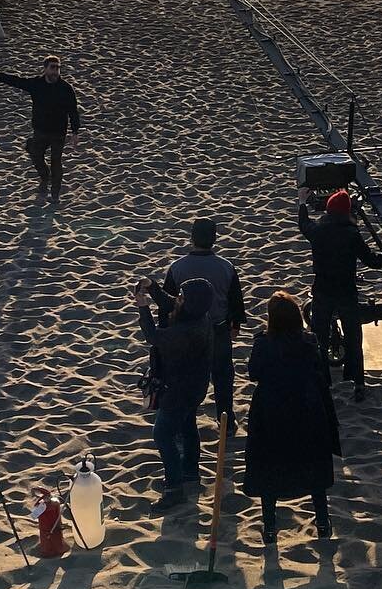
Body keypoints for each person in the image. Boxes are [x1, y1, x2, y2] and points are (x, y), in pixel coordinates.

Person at [243, 291, 340, 546]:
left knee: (268, 467)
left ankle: (271, 527)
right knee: (313, 466)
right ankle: (322, 521)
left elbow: (253, 373)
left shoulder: (263, 343)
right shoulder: (308, 342)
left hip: (272, 409)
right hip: (306, 406)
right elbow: (321, 372)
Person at [296, 188, 382, 404]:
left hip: (322, 291)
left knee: (320, 337)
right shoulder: (351, 235)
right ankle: (358, 384)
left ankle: (323, 382)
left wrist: (301, 203)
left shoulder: (319, 231)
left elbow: (304, 225)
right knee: (354, 338)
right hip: (346, 292)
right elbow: (373, 261)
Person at [158, 217, 247, 432]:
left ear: (192, 238)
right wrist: (236, 324)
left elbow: (167, 302)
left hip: (185, 333)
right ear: (214, 239)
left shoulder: (178, 267)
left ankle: (184, 420)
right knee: (223, 375)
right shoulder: (226, 266)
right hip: (217, 328)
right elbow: (235, 299)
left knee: (186, 376)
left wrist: (165, 329)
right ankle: (225, 418)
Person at [132, 277, 213, 510]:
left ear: (190, 303)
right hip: (194, 387)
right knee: (187, 427)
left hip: (180, 390)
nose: (178, 298)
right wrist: (153, 287)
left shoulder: (189, 330)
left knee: (163, 435)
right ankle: (190, 473)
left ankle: (174, 489)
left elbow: (154, 337)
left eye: (183, 296)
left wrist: (143, 307)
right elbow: (172, 304)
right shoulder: (198, 316)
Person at [0, 55, 80, 203]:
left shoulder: (66, 88)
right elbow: (17, 81)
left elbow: (73, 110)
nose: (55, 71)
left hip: (58, 132)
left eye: (58, 68)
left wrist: (75, 132)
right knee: (34, 153)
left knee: (56, 162)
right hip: (40, 130)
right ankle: (44, 176)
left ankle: (55, 195)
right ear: (45, 69)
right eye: (52, 68)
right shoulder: (37, 84)